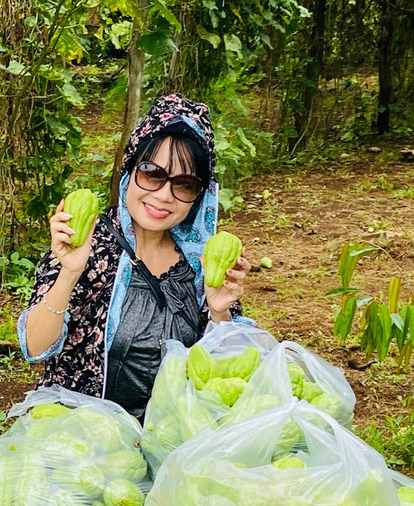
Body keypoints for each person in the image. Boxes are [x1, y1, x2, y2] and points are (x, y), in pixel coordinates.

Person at [18, 94, 256, 418]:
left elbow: (227, 375)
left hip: (171, 440)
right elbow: (35, 348)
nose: (163, 195)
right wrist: (70, 271)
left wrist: (218, 312)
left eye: (183, 184)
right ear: (130, 168)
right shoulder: (88, 243)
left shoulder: (201, 261)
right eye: (152, 173)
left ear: (199, 196)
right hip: (87, 441)